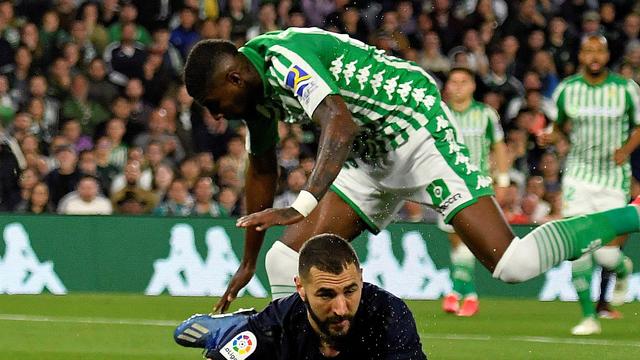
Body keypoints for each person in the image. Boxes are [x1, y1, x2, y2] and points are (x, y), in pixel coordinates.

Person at [182, 28, 640, 314]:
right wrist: (247, 261)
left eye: (213, 104)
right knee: (282, 261)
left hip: (415, 131)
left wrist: (301, 206)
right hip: (366, 154)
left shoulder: (285, 60)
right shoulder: (255, 96)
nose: (217, 116)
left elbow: (337, 123)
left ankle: (634, 214)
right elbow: (261, 168)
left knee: (512, 264)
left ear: (234, 78)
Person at [174, 233, 427, 359]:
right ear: (300, 289)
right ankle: (234, 330)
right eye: (326, 295)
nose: (341, 308)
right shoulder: (280, 320)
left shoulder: (390, 316)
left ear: (361, 278)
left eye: (350, 291)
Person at [541, 33, 638, 336]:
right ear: (580, 56)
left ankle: (623, 268)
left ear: (607, 56)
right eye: (588, 51)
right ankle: (588, 317)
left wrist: (626, 150)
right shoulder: (567, 90)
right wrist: (549, 137)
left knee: (606, 255)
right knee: (577, 247)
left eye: (599, 51)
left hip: (612, 178)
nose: (594, 56)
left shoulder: (626, 90)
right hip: (579, 175)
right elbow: (558, 128)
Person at [439, 66, 510, 317]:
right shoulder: (439, 113)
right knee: (456, 240)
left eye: (463, 81)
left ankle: (459, 293)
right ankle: (466, 294)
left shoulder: (486, 114)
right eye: (453, 81)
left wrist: (503, 179)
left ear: (472, 86)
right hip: (444, 184)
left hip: (476, 184)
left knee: (467, 238)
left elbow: (499, 147)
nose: (458, 86)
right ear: (447, 86)